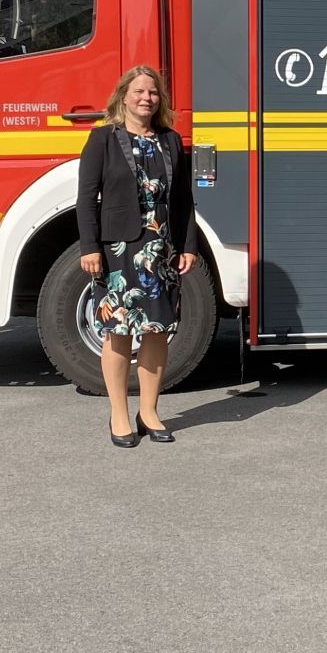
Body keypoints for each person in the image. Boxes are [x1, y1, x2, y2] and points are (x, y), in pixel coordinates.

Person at [77, 65, 198, 448]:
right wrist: (89, 247)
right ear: (123, 96)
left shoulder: (170, 141)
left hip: (161, 250)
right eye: (140, 91)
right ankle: (118, 414)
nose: (147, 98)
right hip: (117, 250)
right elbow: (86, 199)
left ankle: (149, 411)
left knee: (157, 332)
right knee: (118, 333)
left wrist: (189, 245)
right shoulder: (102, 140)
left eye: (154, 93)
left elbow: (182, 200)